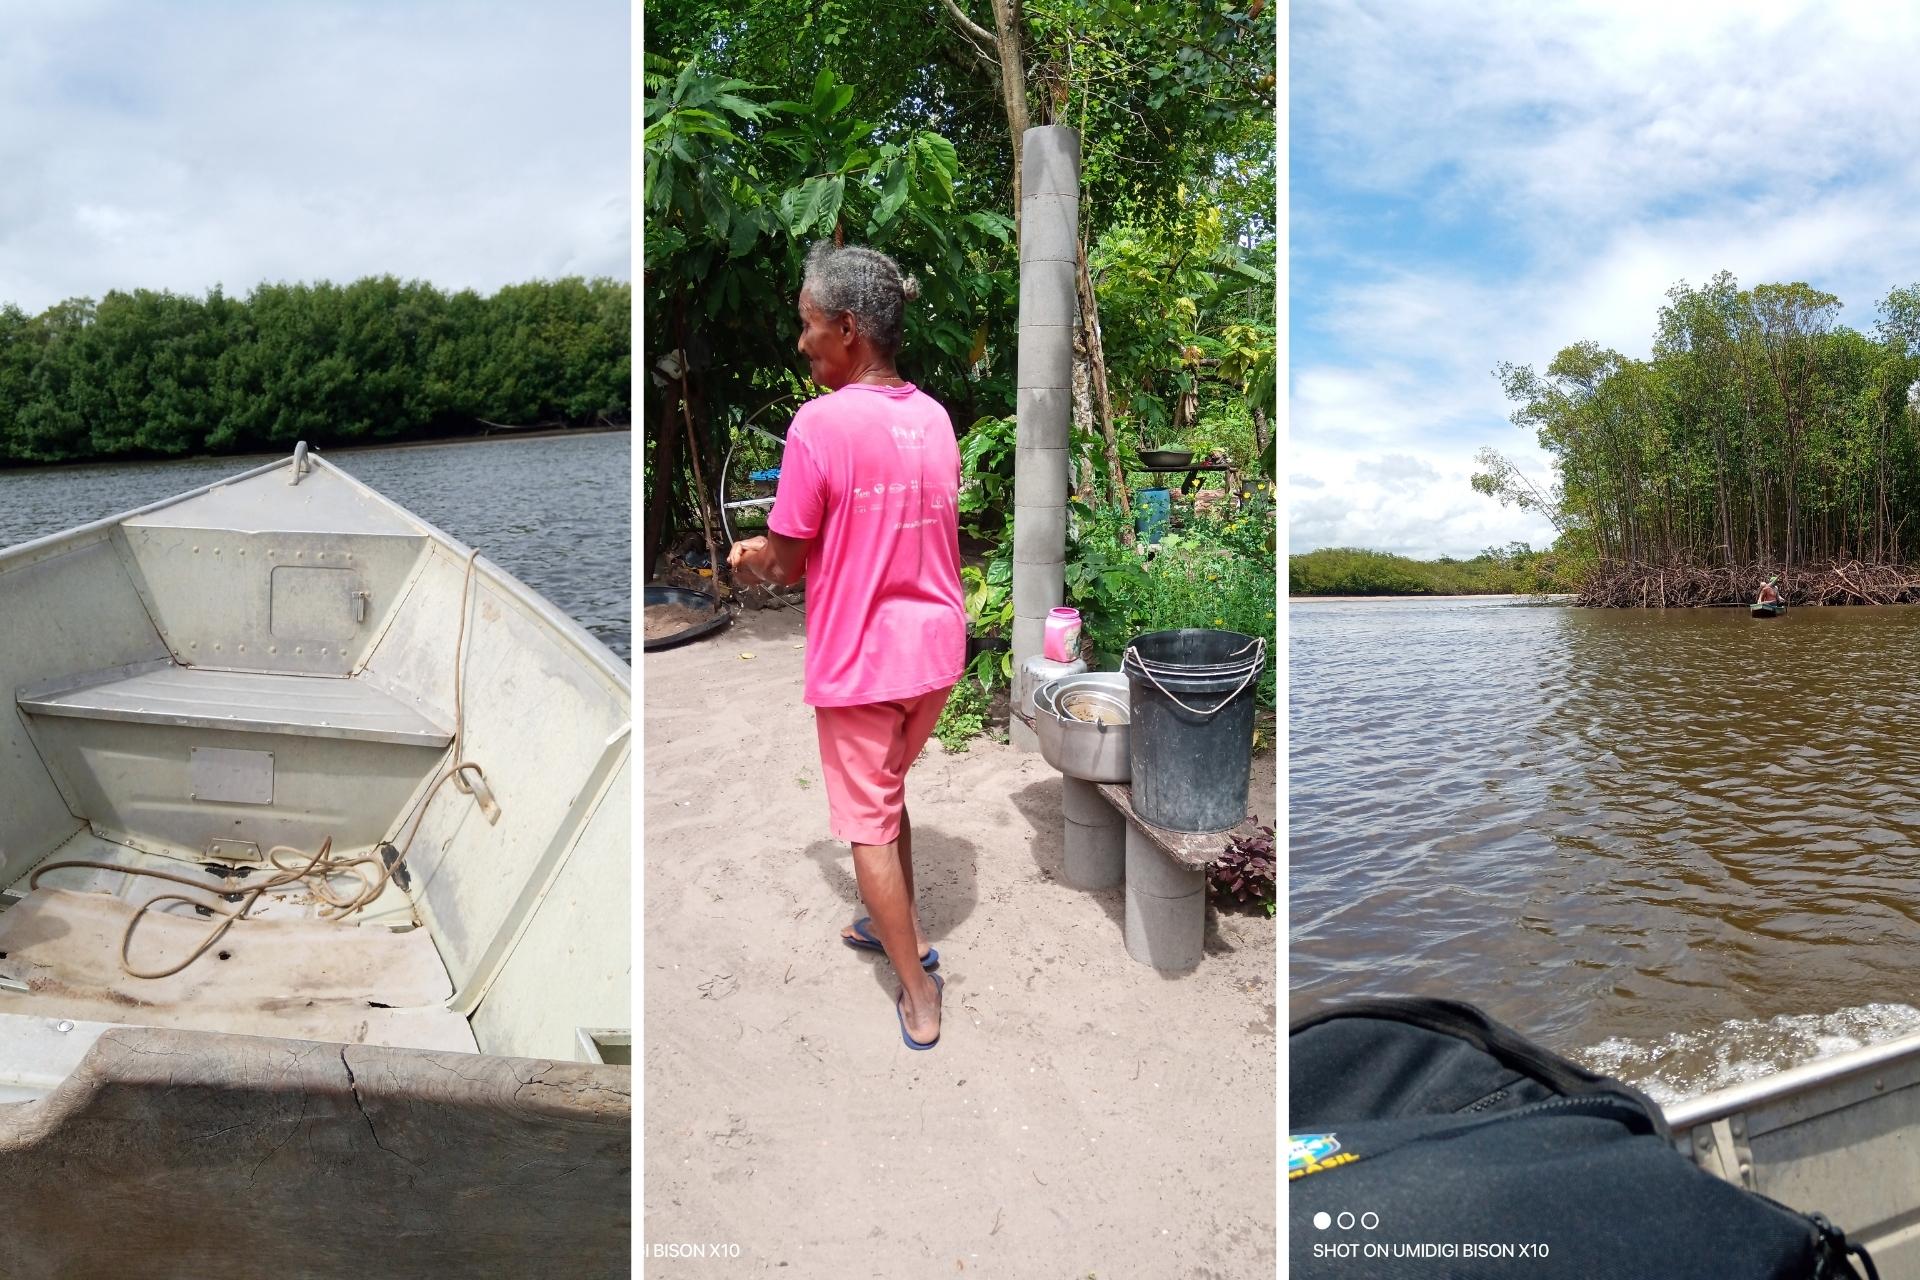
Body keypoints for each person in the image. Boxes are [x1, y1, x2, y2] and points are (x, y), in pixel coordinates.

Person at [728, 241, 965, 1050]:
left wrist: (752, 558)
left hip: (863, 664)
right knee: (887, 791)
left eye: (809, 326)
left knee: (865, 823)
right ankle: (887, 921)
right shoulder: (933, 417)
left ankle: (918, 988)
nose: (802, 342)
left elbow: (788, 563)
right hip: (933, 655)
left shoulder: (818, 426)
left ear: (849, 328)